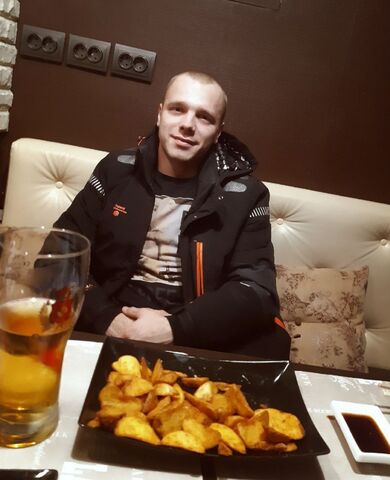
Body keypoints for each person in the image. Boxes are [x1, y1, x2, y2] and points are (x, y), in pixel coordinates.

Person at [54, 71, 290, 359]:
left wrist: (175, 328)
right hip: (112, 315)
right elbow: (59, 251)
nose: (187, 124)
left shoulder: (246, 195)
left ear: (218, 132)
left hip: (197, 332)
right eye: (177, 109)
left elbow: (256, 290)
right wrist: (107, 318)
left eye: (204, 117)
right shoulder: (116, 170)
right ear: (160, 114)